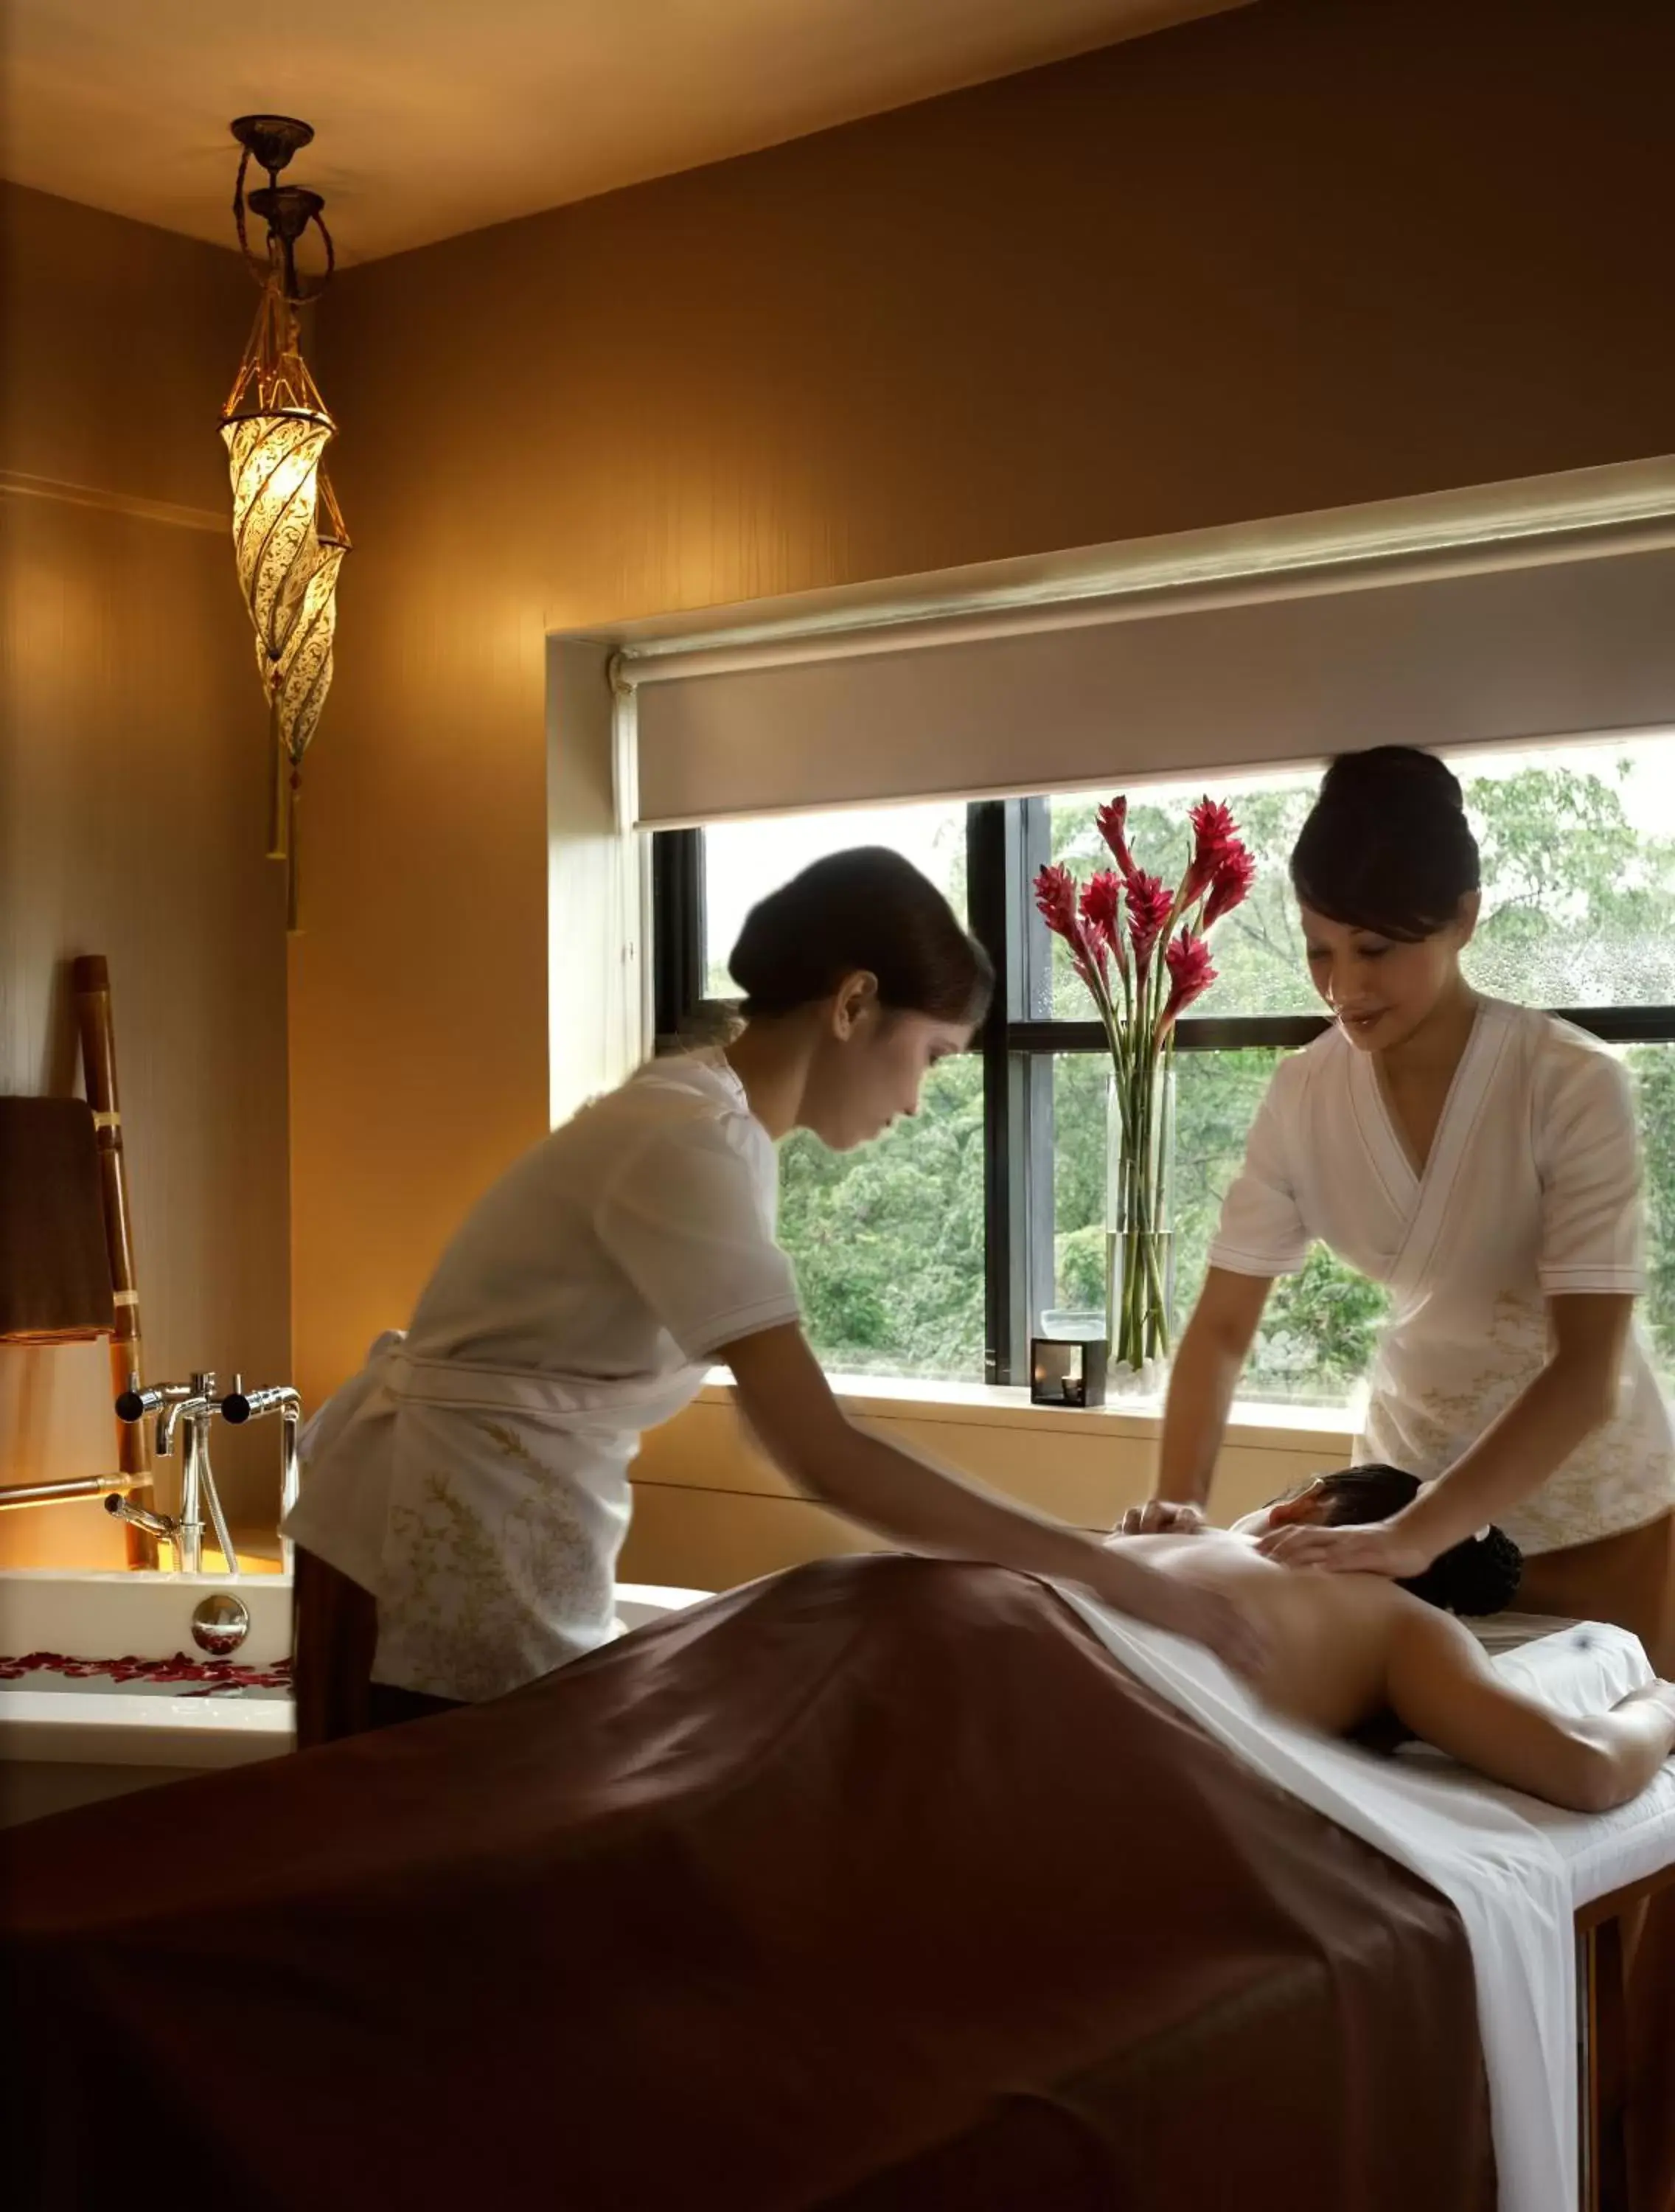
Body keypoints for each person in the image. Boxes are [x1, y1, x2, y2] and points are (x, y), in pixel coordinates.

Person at [286, 847, 1262, 1745]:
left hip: (487, 1522)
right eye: (929, 1056)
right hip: (436, 1540)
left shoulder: (709, 1126)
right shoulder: (685, 1142)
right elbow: (818, 1448)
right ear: (853, 1005)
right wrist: (1112, 1573)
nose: (920, 1101)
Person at [1124, 747, 1675, 1674]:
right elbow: (1221, 1327)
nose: (1343, 987)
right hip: (1392, 1510)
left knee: (1604, 1771)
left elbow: (1586, 1370)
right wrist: (1179, 1508)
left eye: (1375, 950)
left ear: (1462, 918)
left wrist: (1424, 1531)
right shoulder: (1302, 1095)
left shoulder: (1570, 1083)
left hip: (1598, 1523)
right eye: (1318, 949)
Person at [1106, 1464, 1675, 1812]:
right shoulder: (1401, 1621)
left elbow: (1587, 1772)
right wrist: (1660, 1702)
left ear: (1304, 1505)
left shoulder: (1176, 1538)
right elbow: (1589, 1768)